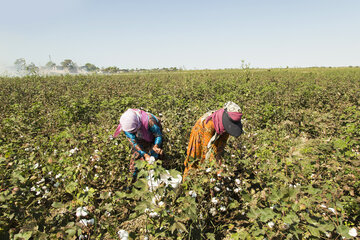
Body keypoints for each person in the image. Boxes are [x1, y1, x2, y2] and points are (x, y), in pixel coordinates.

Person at [183, 101, 243, 178]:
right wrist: (216, 166)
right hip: (200, 133)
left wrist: (219, 157)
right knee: (195, 159)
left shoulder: (226, 126)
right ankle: (187, 183)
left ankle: (206, 177)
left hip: (214, 135)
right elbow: (207, 148)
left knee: (215, 159)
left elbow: (223, 141)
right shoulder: (209, 122)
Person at [113, 109, 163, 177]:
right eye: (131, 131)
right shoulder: (126, 125)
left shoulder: (150, 121)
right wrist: (144, 154)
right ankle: (132, 180)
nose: (132, 132)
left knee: (154, 161)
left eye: (134, 130)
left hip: (152, 137)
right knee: (135, 162)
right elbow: (133, 142)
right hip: (140, 139)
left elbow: (158, 135)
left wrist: (156, 145)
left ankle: (153, 178)